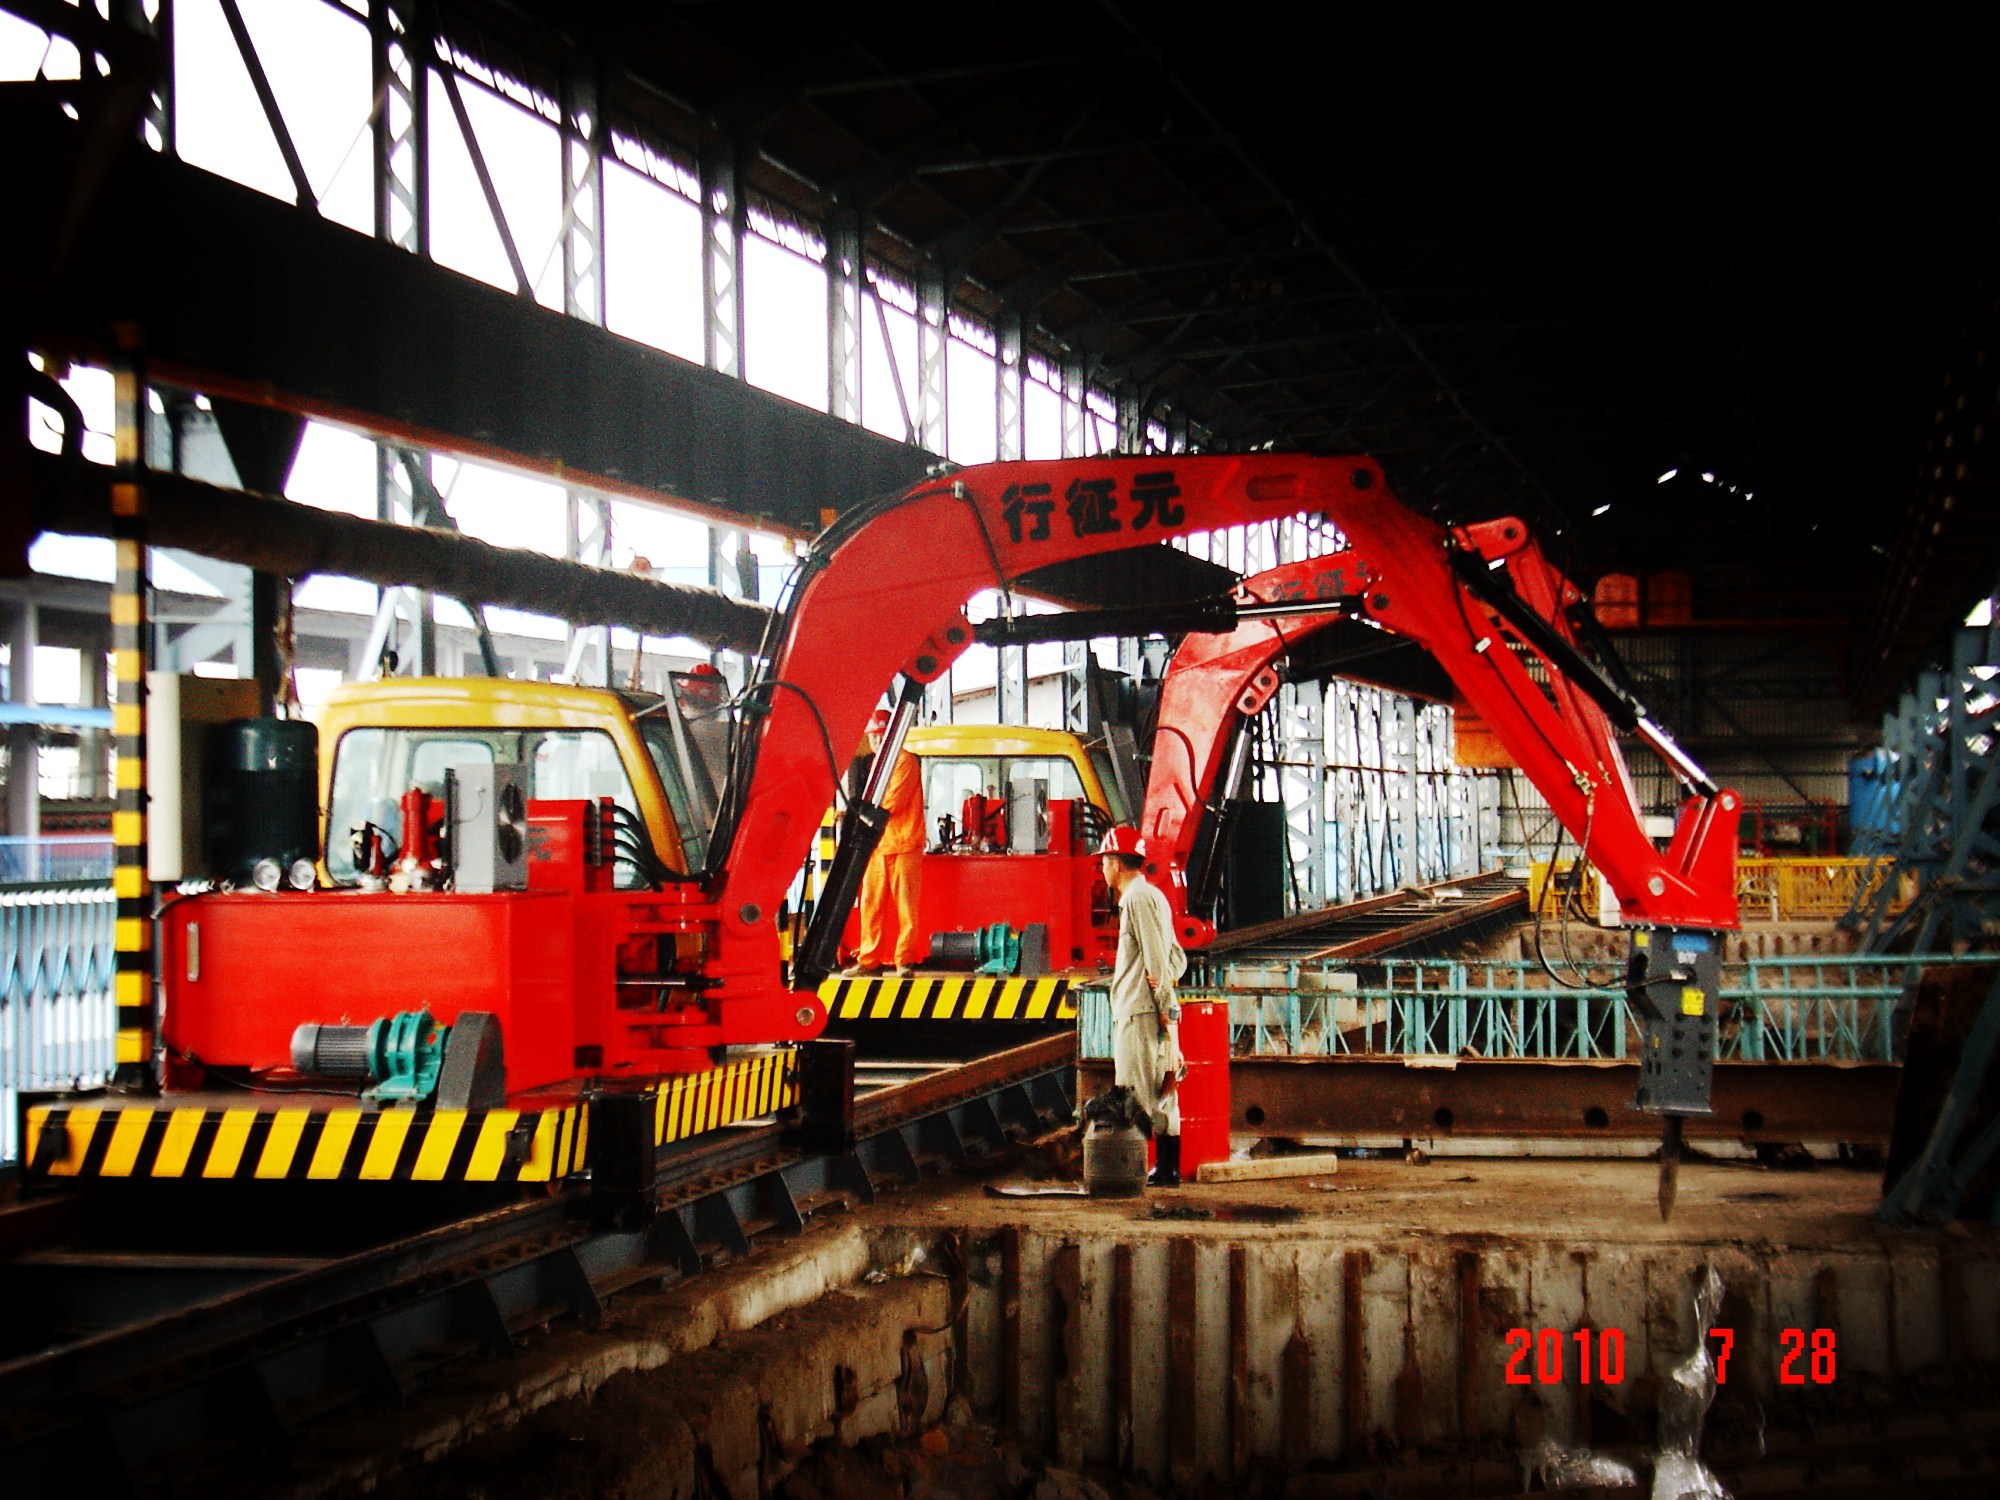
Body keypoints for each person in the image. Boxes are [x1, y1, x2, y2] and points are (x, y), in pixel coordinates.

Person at [1098, 825, 1188, 1186]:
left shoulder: (1136, 900)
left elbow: (1156, 962)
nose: (1102, 869)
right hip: (1150, 1008)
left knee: (1136, 1093)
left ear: (1117, 863)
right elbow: (1176, 959)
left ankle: (1137, 1169)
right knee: (1160, 1090)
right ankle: (1167, 1169)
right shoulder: (1154, 897)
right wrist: (1168, 1003)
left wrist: (1166, 1008)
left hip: (1140, 1011)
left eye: (1104, 861)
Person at [845, 706, 926, 976]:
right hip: (878, 846)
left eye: (881, 735)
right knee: (871, 903)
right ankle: (869, 961)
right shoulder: (873, 765)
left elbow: (892, 803)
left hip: (903, 844)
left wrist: (860, 812)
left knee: (906, 907)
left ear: (892, 736)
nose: (876, 740)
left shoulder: (905, 762)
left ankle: (905, 961)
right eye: (873, 735)